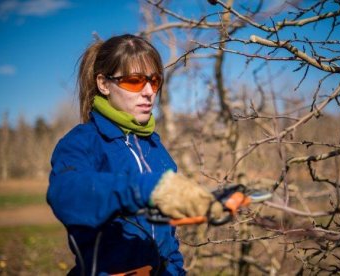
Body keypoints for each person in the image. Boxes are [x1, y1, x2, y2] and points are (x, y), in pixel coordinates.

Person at [46, 34, 223, 276]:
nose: (149, 91)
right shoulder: (81, 142)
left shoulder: (154, 147)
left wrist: (176, 271)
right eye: (134, 81)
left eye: (154, 80)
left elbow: (168, 238)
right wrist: (145, 189)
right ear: (104, 84)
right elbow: (66, 195)